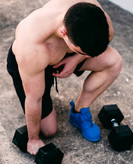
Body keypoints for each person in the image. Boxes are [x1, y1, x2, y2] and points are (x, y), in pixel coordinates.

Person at [7, 0, 122, 155]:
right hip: (34, 62)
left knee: (114, 62)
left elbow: (108, 34)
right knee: (49, 130)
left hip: (68, 54)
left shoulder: (91, 10)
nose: (88, 57)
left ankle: (79, 111)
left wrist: (76, 59)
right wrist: (32, 139)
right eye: (83, 53)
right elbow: (34, 99)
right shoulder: (31, 46)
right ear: (63, 32)